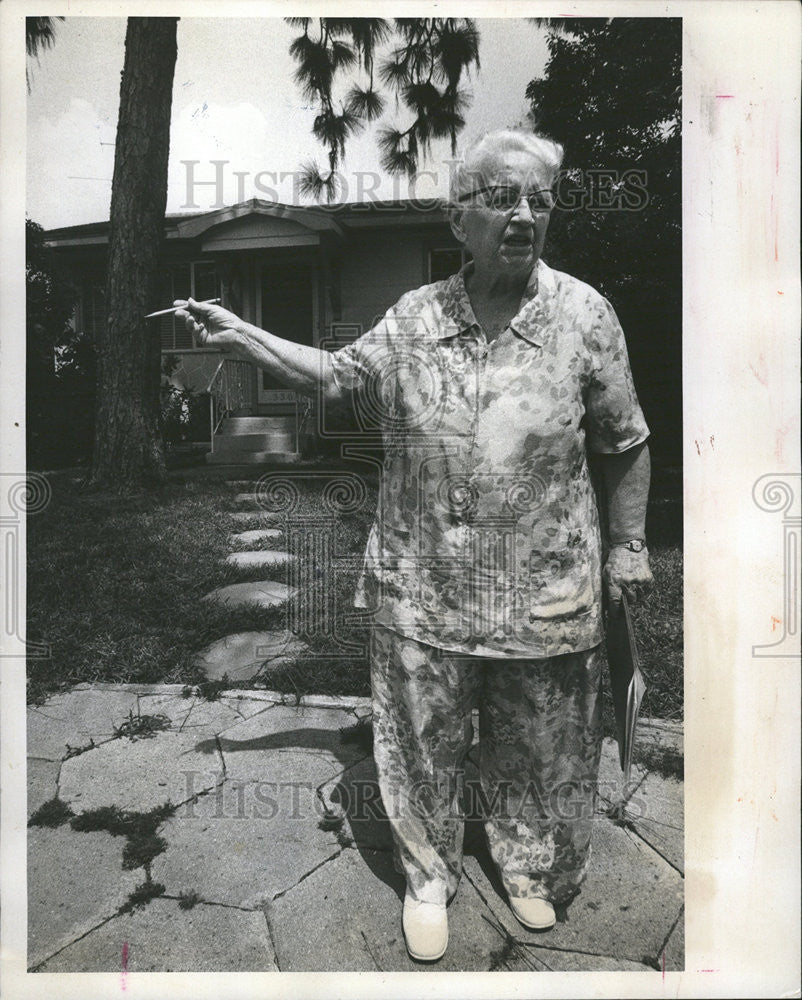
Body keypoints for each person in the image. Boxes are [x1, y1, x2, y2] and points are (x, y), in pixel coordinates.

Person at [175, 129, 653, 963]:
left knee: (540, 741)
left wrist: (630, 548)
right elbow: (334, 375)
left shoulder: (584, 315)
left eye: (539, 200)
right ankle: (428, 875)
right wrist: (242, 337)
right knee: (417, 737)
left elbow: (625, 440)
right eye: (501, 198)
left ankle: (528, 869)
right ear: (458, 219)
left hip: (545, 589)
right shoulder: (415, 316)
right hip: (422, 585)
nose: (523, 215)